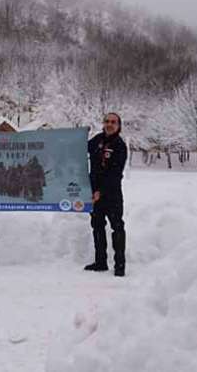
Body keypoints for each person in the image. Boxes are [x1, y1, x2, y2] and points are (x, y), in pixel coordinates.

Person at [85, 113, 128, 277]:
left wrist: (100, 192)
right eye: (107, 121)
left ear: (118, 125)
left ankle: (120, 265)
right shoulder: (97, 140)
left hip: (111, 194)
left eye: (113, 122)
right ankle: (100, 261)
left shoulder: (120, 145)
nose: (109, 124)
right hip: (93, 194)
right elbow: (78, 148)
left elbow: (115, 174)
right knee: (97, 226)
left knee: (117, 227)